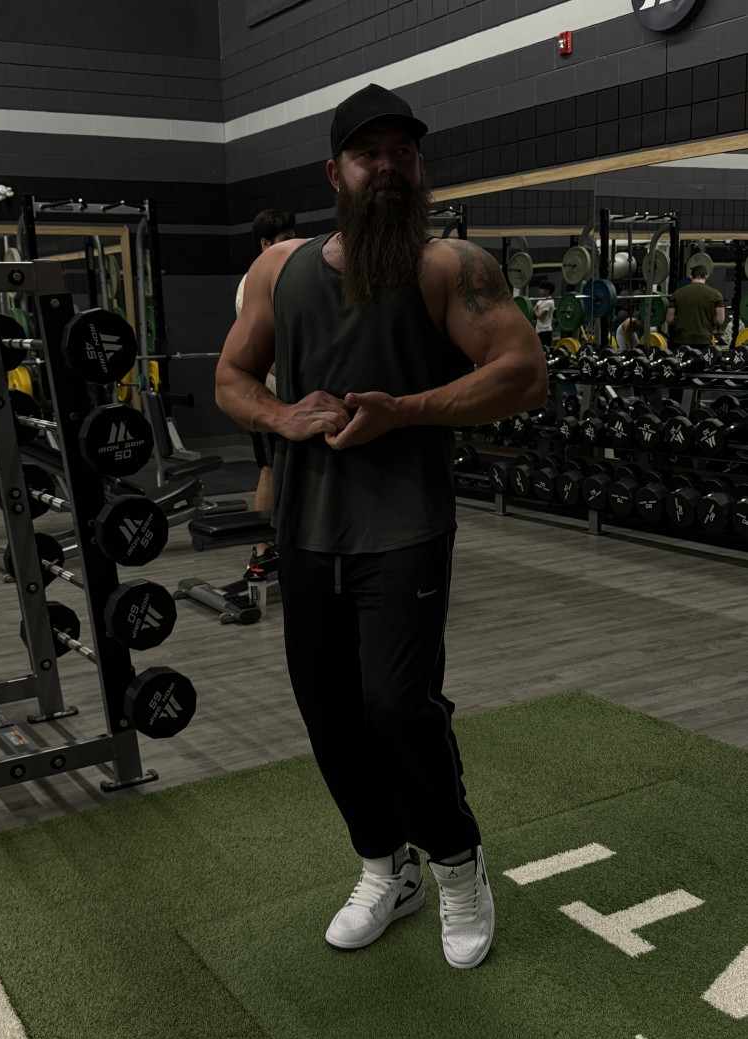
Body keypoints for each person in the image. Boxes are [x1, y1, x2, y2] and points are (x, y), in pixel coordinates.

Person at [215, 83, 547, 970]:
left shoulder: (449, 267)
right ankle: (383, 867)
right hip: (305, 530)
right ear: (337, 174)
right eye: (370, 155)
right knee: (328, 711)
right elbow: (232, 379)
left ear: (420, 167)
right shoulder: (278, 269)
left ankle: (457, 865)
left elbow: (523, 372)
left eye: (404, 152)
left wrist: (406, 410)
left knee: (398, 707)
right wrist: (282, 416)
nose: (389, 167)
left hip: (404, 527)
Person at [235, 209, 297, 558]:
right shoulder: (252, 284)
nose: (293, 246)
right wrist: (297, 382)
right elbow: (263, 352)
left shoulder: (289, 276)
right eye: (285, 240)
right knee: (270, 469)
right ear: (265, 244)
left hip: (293, 397)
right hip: (267, 397)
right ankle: (261, 549)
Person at [666, 265, 725, 345]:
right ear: (706, 276)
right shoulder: (716, 295)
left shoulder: (677, 293)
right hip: (704, 340)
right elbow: (720, 320)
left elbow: (669, 319)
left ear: (690, 276)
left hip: (681, 341)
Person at [533, 280, 555, 351]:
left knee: (544, 352)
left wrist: (535, 311)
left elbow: (540, 316)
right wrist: (535, 310)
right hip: (538, 330)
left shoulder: (549, 302)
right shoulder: (541, 300)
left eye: (542, 289)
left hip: (545, 331)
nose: (540, 290)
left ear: (547, 290)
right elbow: (534, 308)